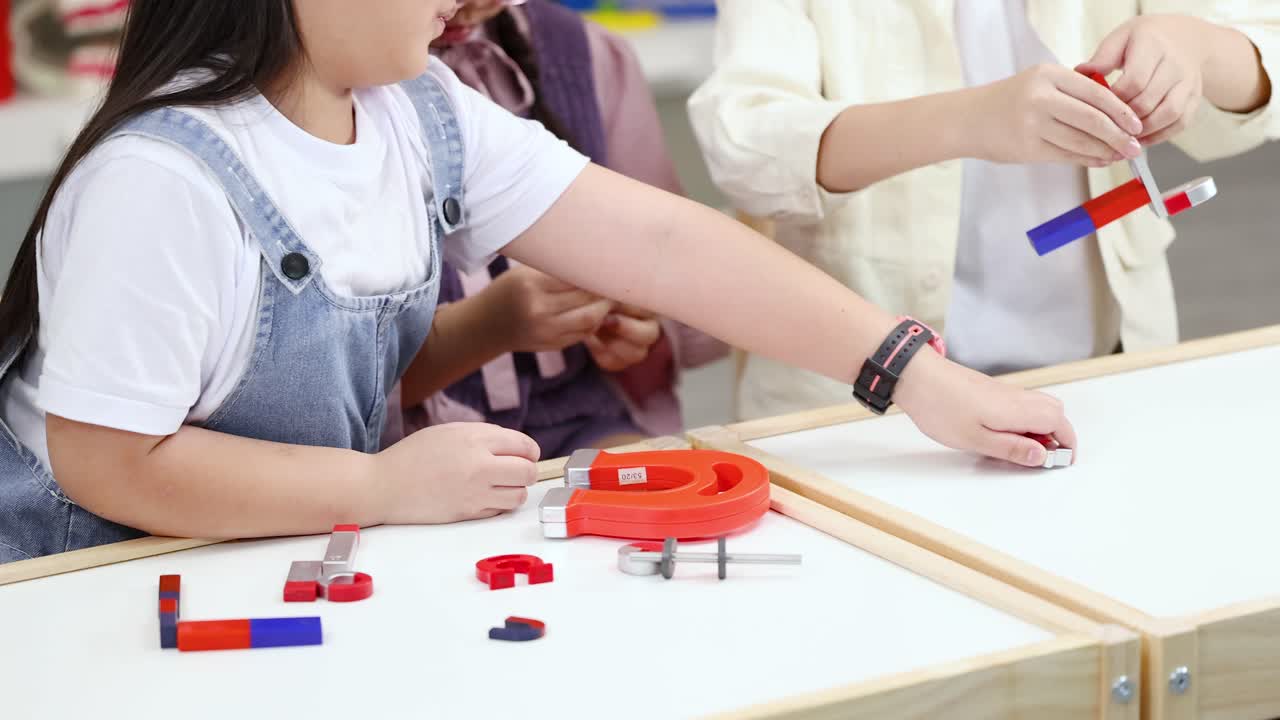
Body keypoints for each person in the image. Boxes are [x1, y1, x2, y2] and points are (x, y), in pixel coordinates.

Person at [0, 0, 1073, 564]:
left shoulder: (413, 108)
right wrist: (376, 490)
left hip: (252, 566)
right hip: (79, 588)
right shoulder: (160, 181)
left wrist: (914, 375)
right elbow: (108, 461)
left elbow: (657, 242)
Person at [688, 1, 1277, 420]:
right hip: (857, 404)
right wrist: (965, 121)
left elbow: (1262, 58)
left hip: (1100, 373)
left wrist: (1198, 46)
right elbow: (744, 145)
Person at [388, 0, 726, 457]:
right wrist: (484, 327)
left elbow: (674, 261)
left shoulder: (584, 55)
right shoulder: (363, 89)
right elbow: (332, 386)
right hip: (416, 448)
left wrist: (639, 323)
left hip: (587, 418)